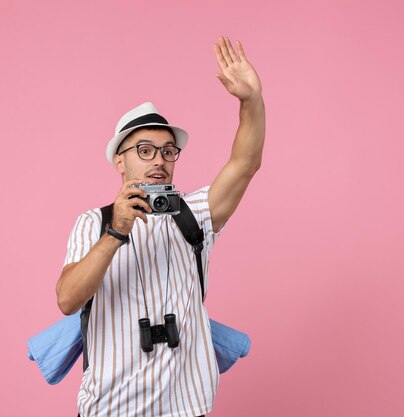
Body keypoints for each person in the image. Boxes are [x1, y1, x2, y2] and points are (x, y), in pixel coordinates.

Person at [56, 36, 265, 417]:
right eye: (145, 150)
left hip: (186, 409)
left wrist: (251, 101)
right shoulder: (94, 222)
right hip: (111, 409)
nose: (159, 160)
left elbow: (244, 164)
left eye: (168, 151)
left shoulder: (194, 213)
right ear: (120, 162)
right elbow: (67, 299)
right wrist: (115, 233)